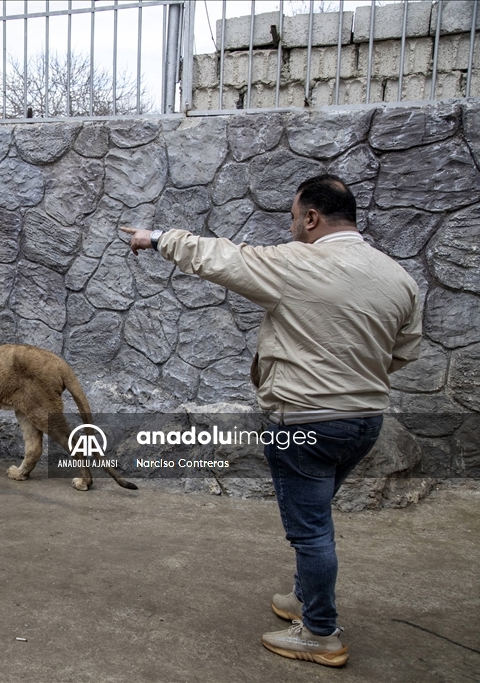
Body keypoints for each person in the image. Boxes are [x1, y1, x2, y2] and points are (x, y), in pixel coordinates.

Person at [121, 174, 422, 667]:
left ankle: (321, 633)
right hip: (365, 423)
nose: (291, 227)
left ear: (312, 218)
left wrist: (154, 237)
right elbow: (404, 352)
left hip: (307, 424)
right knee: (316, 517)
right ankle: (304, 598)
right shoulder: (398, 277)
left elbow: (219, 256)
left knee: (311, 531)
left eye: (293, 217)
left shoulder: (297, 262)